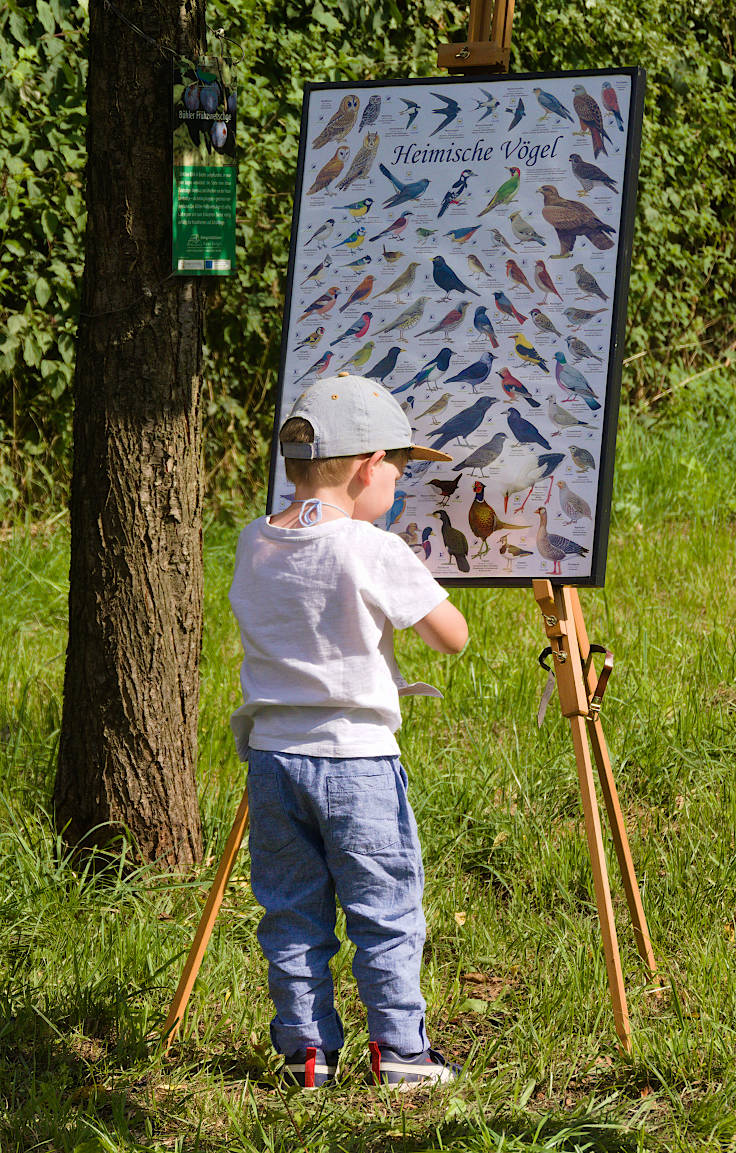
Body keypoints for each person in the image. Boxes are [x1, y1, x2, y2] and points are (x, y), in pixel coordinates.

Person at [229, 373, 468, 1089]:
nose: (399, 487)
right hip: (357, 760)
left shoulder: (253, 541)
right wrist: (412, 571)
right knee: (384, 907)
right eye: (398, 471)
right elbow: (451, 637)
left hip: (273, 762)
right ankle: (400, 1047)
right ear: (367, 468)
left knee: (291, 909)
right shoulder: (372, 547)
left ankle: (306, 1051)